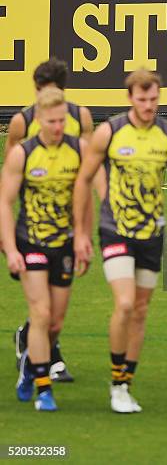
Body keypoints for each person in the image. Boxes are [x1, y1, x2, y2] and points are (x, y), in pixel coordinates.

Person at [73, 68, 167, 413]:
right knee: (125, 304)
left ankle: (126, 383)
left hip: (152, 234)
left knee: (140, 310)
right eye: (142, 99)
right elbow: (84, 181)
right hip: (116, 231)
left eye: (154, 98)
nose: (148, 105)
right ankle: (115, 381)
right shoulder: (109, 132)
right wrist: (82, 232)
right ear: (130, 99)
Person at [0, 87, 91, 411]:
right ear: (38, 120)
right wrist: (10, 249)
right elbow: (5, 202)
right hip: (31, 243)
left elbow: (85, 199)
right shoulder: (22, 154)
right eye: (51, 121)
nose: (57, 127)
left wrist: (83, 237)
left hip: (63, 244)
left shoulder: (78, 150)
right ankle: (43, 388)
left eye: (61, 121)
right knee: (40, 313)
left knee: (55, 323)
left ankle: (29, 365)